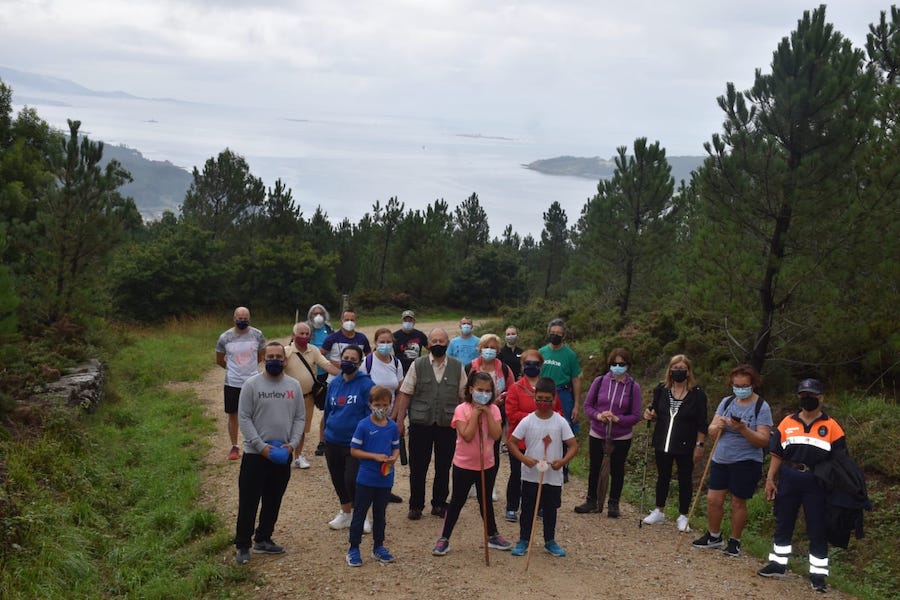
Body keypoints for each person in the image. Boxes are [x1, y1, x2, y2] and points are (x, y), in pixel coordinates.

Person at [757, 379, 847, 593]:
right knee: (783, 520)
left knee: (817, 527)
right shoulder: (787, 422)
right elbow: (777, 453)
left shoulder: (832, 427)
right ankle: (778, 564)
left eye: (811, 395)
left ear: (821, 398)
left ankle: (818, 575)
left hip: (817, 480)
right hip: (789, 476)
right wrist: (770, 478)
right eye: (803, 395)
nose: (807, 399)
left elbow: (841, 461)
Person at [234, 342, 305, 565]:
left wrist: (292, 444)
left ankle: (263, 538)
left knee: (273, 499)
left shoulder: (293, 386)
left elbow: (299, 417)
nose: (275, 360)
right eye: (270, 356)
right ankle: (243, 544)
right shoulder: (251, 385)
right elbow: (244, 417)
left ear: (285, 359)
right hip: (255, 454)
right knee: (249, 500)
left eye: (278, 357)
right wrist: (260, 446)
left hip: (282, 453)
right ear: (263, 359)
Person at [692, 364, 773, 557]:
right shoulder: (727, 402)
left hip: (746, 460)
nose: (740, 389)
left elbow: (763, 440)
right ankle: (714, 536)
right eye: (736, 385)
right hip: (721, 457)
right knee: (713, 499)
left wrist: (743, 429)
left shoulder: (762, 407)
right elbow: (711, 430)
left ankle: (735, 541)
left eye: (744, 385)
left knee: (738, 501)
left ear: (753, 384)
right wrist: (717, 426)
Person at [432, 371, 512, 556]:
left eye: (488, 391)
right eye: (480, 390)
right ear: (470, 389)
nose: (484, 394)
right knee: (457, 501)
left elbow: (496, 435)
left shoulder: (494, 410)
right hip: (464, 465)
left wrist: (488, 413)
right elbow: (467, 436)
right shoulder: (462, 409)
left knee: (486, 502)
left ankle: (492, 535)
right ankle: (444, 538)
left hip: (487, 465)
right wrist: (475, 414)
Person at [392, 328, 468, 520]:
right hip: (420, 423)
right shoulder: (417, 364)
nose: (438, 344)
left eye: (441, 340)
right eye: (434, 340)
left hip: (447, 424)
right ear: (428, 344)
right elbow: (406, 393)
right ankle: (416, 505)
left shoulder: (457, 366)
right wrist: (400, 421)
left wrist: (465, 423)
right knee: (418, 466)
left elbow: (463, 397)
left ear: (447, 343)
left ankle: (439, 504)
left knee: (444, 466)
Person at [507, 377, 578, 558]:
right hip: (531, 475)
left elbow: (573, 446)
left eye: (547, 399)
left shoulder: (560, 421)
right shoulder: (528, 420)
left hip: (552, 477)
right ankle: (524, 539)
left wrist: (562, 462)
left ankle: (550, 540)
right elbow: (512, 442)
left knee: (550, 510)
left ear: (554, 399)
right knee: (528, 509)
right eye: (539, 399)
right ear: (534, 397)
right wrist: (524, 459)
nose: (543, 403)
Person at [642, 354, 708, 531]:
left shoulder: (698, 394)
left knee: (684, 478)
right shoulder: (661, 389)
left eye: (682, 369)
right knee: (662, 476)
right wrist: (649, 414)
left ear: (689, 371)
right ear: (670, 370)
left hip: (686, 443)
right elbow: (655, 410)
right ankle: (659, 510)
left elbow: (702, 422)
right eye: (676, 368)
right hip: (663, 440)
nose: (679, 371)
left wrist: (699, 445)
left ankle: (683, 515)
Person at [576, 347, 643, 518]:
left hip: (621, 435)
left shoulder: (634, 387)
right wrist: (599, 416)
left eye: (621, 364)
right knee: (595, 467)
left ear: (628, 365)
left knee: (617, 469)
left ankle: (614, 503)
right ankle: (591, 500)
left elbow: (636, 415)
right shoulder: (599, 382)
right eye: (614, 363)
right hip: (598, 432)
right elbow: (588, 406)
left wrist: (618, 419)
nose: (617, 367)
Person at [504, 349, 564, 523]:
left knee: (540, 475)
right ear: (522, 365)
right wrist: (536, 417)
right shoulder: (515, 388)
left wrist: (548, 419)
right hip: (521, 441)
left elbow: (558, 410)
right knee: (517, 474)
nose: (531, 366)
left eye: (535, 363)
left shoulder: (548, 387)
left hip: (543, 442)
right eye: (527, 363)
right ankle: (512, 506)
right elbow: (511, 414)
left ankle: (538, 506)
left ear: (541, 365)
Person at [323, 345, 375, 532]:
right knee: (337, 478)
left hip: (355, 443)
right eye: (346, 358)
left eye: (353, 360)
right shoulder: (334, 383)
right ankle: (345, 513)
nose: (348, 362)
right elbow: (328, 410)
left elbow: (372, 413)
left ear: (359, 363)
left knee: (352, 479)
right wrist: (325, 434)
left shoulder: (366, 385)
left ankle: (362, 515)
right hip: (333, 440)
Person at [346, 385, 400, 567]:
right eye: (377, 405)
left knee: (380, 514)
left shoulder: (392, 426)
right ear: (370, 405)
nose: (381, 409)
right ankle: (353, 548)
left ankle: (378, 546)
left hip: (385, 479)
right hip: (366, 478)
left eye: (385, 405)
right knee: (360, 513)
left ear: (390, 405)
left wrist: (394, 458)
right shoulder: (363, 425)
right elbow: (354, 450)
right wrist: (374, 456)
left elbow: (396, 447)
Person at [280, 321, 339, 469]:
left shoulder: (313, 350)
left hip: (307, 397)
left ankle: (298, 456)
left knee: (301, 429)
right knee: (284, 427)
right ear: (294, 335)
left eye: (307, 334)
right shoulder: (286, 352)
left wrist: (345, 375)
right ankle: (282, 454)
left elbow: (327, 365)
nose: (305, 336)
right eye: (301, 333)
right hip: (287, 398)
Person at [467, 333, 516, 501]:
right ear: (480, 349)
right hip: (473, 413)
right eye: (486, 347)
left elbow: (511, 390)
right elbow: (464, 391)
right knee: (472, 447)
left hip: (496, 414)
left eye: (493, 347)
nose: (489, 350)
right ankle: (471, 484)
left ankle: (489, 486)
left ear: (498, 350)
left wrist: (501, 402)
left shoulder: (504, 369)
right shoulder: (471, 367)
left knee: (492, 450)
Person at [361, 327, 405, 503]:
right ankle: (366, 490)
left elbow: (401, 391)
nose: (385, 345)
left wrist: (394, 415)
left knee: (389, 453)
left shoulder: (396, 363)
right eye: (382, 342)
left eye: (388, 342)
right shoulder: (367, 362)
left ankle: (385, 488)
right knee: (370, 453)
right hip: (371, 417)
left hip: (389, 417)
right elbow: (362, 390)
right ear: (375, 343)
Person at [216, 306, 266, 461]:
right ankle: (234, 446)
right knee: (233, 415)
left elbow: (261, 356)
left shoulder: (257, 335)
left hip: (253, 382)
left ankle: (257, 444)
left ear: (249, 319)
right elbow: (219, 359)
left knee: (256, 414)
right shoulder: (225, 337)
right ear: (234, 318)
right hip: (232, 382)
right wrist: (233, 369)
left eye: (245, 319)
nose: (242, 321)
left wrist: (249, 370)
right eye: (240, 318)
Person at [539, 318, 582, 482]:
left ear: (564, 335)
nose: (555, 335)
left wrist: (576, 405)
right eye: (553, 332)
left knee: (565, 430)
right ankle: (543, 463)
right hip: (544, 394)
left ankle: (563, 467)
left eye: (558, 333)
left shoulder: (570, 355)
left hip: (563, 394)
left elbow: (576, 380)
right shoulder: (542, 352)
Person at [306, 303, 333, 458]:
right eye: (315, 313)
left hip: (325, 373)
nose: (318, 316)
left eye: (321, 313)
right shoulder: (306, 329)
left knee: (327, 408)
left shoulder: (329, 329)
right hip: (309, 373)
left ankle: (323, 440)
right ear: (310, 315)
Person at [322, 309, 372, 378]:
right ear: (341, 321)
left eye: (352, 320)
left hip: (355, 378)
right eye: (347, 320)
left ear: (356, 321)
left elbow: (369, 357)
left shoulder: (362, 338)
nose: (349, 322)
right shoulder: (332, 338)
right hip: (334, 378)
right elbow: (320, 355)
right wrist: (331, 363)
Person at [392, 309, 428, 375]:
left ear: (414, 322)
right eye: (405, 320)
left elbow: (430, 348)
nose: (408, 322)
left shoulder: (420, 335)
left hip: (416, 369)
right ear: (402, 321)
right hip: (401, 370)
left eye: (410, 320)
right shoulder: (395, 336)